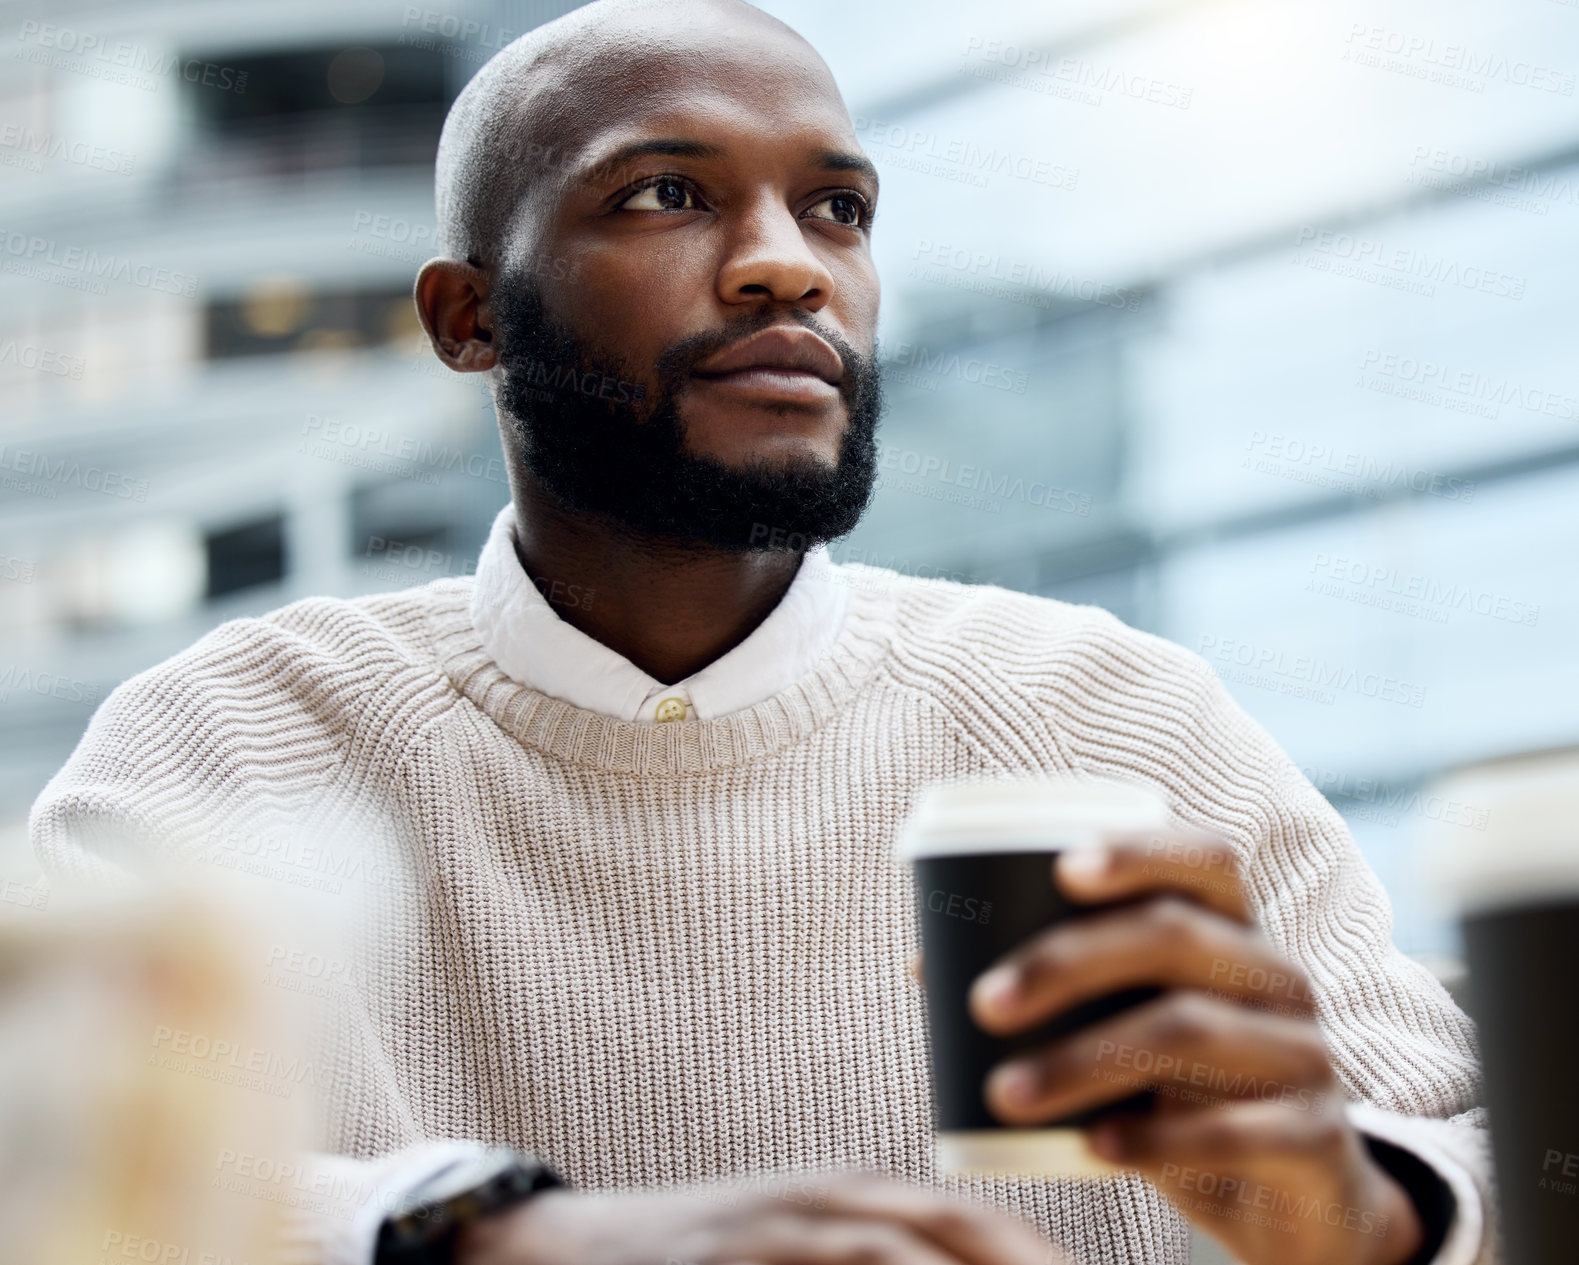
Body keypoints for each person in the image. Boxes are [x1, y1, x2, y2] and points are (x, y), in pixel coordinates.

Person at [31, 1, 1494, 1262]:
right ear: (468, 317)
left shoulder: (1119, 717)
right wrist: (497, 1229)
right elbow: (57, 1187)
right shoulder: (235, 739)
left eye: (838, 210)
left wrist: (1364, 1212)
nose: (784, 265)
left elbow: (1490, 1153)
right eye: (667, 194)